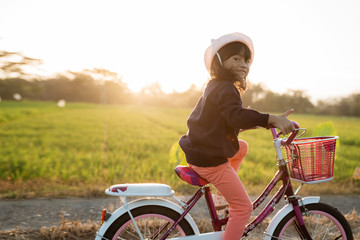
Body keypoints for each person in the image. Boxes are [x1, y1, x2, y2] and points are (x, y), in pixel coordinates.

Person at [179, 32, 295, 240]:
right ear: (220, 62)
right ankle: (224, 200)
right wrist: (272, 119)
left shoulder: (215, 86)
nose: (244, 64)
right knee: (243, 208)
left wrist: (261, 121)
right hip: (210, 159)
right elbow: (236, 116)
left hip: (201, 151)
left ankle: (221, 197)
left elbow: (226, 119)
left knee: (241, 147)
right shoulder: (225, 88)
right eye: (236, 59)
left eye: (246, 60)